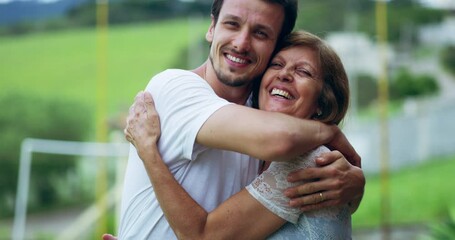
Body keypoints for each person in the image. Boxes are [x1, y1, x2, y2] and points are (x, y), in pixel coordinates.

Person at [113, 0, 365, 239]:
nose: (241, 43)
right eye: (232, 24)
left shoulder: (266, 124)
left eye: (260, 33)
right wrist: (331, 133)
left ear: (273, 46)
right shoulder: (175, 87)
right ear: (212, 28)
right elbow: (279, 140)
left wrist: (355, 187)